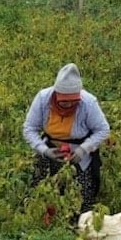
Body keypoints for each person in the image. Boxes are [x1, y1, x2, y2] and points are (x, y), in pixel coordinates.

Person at [22, 63, 111, 217]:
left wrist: (83, 149)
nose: (69, 104)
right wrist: (44, 150)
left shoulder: (88, 102)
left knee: (82, 197)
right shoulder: (43, 98)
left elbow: (103, 129)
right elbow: (29, 128)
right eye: (64, 101)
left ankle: (77, 221)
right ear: (56, 95)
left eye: (73, 101)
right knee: (44, 191)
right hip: (51, 148)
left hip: (80, 153)